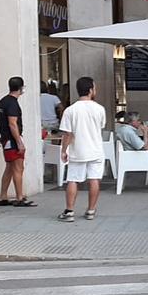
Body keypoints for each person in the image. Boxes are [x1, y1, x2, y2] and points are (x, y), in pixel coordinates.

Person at [58, 76, 106, 221]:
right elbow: (101, 127)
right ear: (91, 90)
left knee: (73, 179)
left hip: (77, 150)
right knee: (94, 179)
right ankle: (91, 210)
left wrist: (64, 150)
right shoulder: (99, 109)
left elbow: (67, 134)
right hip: (96, 149)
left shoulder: (70, 110)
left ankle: (69, 211)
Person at [0, 76, 35, 208]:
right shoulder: (13, 103)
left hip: (6, 139)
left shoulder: (2, 101)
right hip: (12, 140)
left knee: (10, 168)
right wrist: (19, 142)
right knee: (18, 168)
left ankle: (3, 196)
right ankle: (19, 197)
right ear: (21, 88)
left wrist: (2, 133)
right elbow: (13, 124)